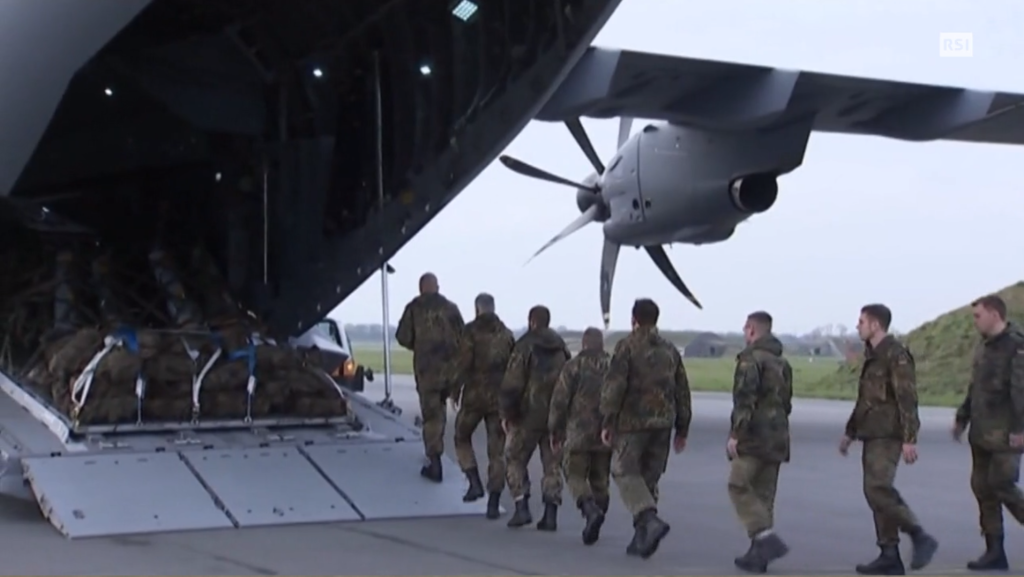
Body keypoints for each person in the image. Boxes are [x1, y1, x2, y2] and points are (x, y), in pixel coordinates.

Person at [839, 303, 938, 574]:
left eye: (862, 321)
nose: (858, 326)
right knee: (875, 493)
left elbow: (907, 398)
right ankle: (889, 554)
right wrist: (850, 432)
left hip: (888, 434)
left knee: (878, 489)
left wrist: (909, 438)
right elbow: (866, 400)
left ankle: (919, 535)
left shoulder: (896, 355)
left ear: (876, 325)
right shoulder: (873, 356)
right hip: (871, 433)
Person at [600, 298, 691, 558]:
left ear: (634, 320)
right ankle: (642, 537)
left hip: (633, 422)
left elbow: (615, 386)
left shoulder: (627, 346)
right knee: (649, 478)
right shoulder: (670, 350)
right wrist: (682, 427)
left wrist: (608, 420)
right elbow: (682, 390)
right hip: (662, 424)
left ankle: (648, 519)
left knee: (623, 470)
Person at [951, 294, 1024, 570]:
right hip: (982, 432)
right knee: (983, 488)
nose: (975, 321)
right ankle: (994, 551)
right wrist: (962, 417)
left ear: (994, 314)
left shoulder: (1016, 346)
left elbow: (1021, 390)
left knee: (1002, 484)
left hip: (1006, 433)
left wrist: (1020, 429)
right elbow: (976, 387)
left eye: (978, 316)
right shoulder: (984, 346)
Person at [727, 311, 793, 573]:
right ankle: (758, 556)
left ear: (752, 330)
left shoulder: (750, 360)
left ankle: (765, 537)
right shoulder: (782, 363)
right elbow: (787, 403)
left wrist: (736, 434)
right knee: (764, 495)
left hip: (754, 435)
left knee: (738, 484)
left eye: (746, 328)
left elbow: (745, 400)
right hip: (778, 436)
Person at [499, 305, 571, 530]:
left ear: (531, 321)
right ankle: (550, 514)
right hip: (555, 416)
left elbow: (512, 383)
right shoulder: (561, 347)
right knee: (552, 465)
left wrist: (507, 413)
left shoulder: (524, 346)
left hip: (527, 416)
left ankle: (522, 506)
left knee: (514, 458)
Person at [395, 272, 465, 482]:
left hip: (427, 372)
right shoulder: (451, 308)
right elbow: (463, 338)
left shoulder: (414, 308)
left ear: (420, 288)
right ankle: (438, 449)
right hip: (449, 371)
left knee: (432, 416)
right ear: (437, 287)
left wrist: (420, 346)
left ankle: (435, 462)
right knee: (440, 413)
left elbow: (402, 337)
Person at [452, 292, 515, 519]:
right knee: (497, 451)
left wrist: (455, 390)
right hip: (499, 398)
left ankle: (474, 481)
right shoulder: (506, 334)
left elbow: (463, 364)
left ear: (477, 309)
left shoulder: (470, 332)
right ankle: (494, 500)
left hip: (475, 397)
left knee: (461, 436)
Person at [549, 327, 612, 545]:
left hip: (578, 432)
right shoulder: (615, 367)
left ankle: (589, 510)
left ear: (584, 344)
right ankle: (597, 517)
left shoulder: (573, 367)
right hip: (605, 433)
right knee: (600, 479)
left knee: (574, 474)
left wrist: (555, 430)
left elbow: (559, 401)